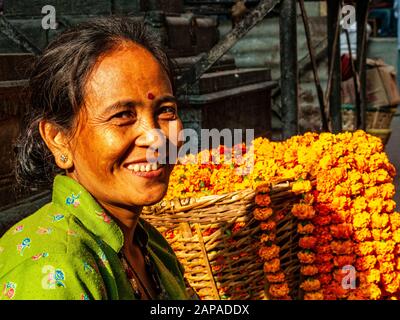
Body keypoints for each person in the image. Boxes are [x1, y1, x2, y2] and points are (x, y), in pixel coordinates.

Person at [0, 17, 196, 300]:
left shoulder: (148, 244)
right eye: (122, 115)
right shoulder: (55, 270)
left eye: (166, 111)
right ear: (59, 139)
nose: (155, 138)